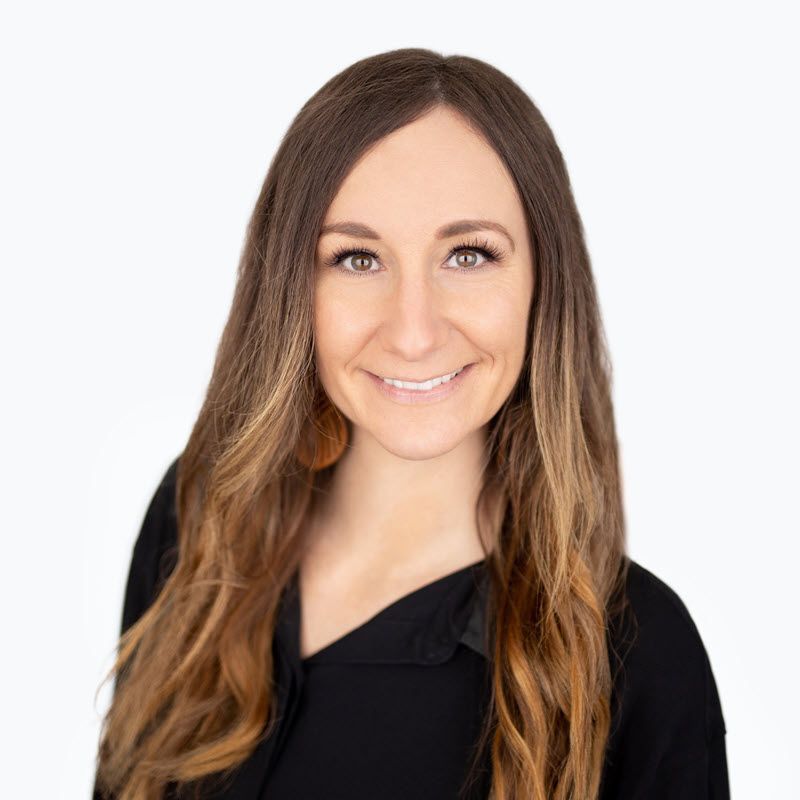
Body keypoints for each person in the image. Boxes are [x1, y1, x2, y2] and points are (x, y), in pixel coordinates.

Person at [93, 48, 729, 800]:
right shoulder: (199, 516)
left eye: (468, 254)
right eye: (358, 259)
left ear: (542, 282)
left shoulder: (639, 657)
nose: (414, 331)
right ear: (291, 286)